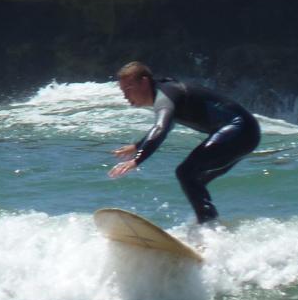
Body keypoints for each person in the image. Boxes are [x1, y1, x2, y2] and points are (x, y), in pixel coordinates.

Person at [108, 61, 260, 224]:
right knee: (195, 179)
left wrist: (137, 159)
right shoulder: (166, 92)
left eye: (128, 89)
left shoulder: (165, 96)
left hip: (241, 130)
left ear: (144, 82)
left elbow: (161, 128)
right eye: (123, 91)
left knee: (186, 173)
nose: (125, 96)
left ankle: (208, 227)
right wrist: (138, 145)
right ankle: (211, 227)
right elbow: (165, 125)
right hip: (245, 132)